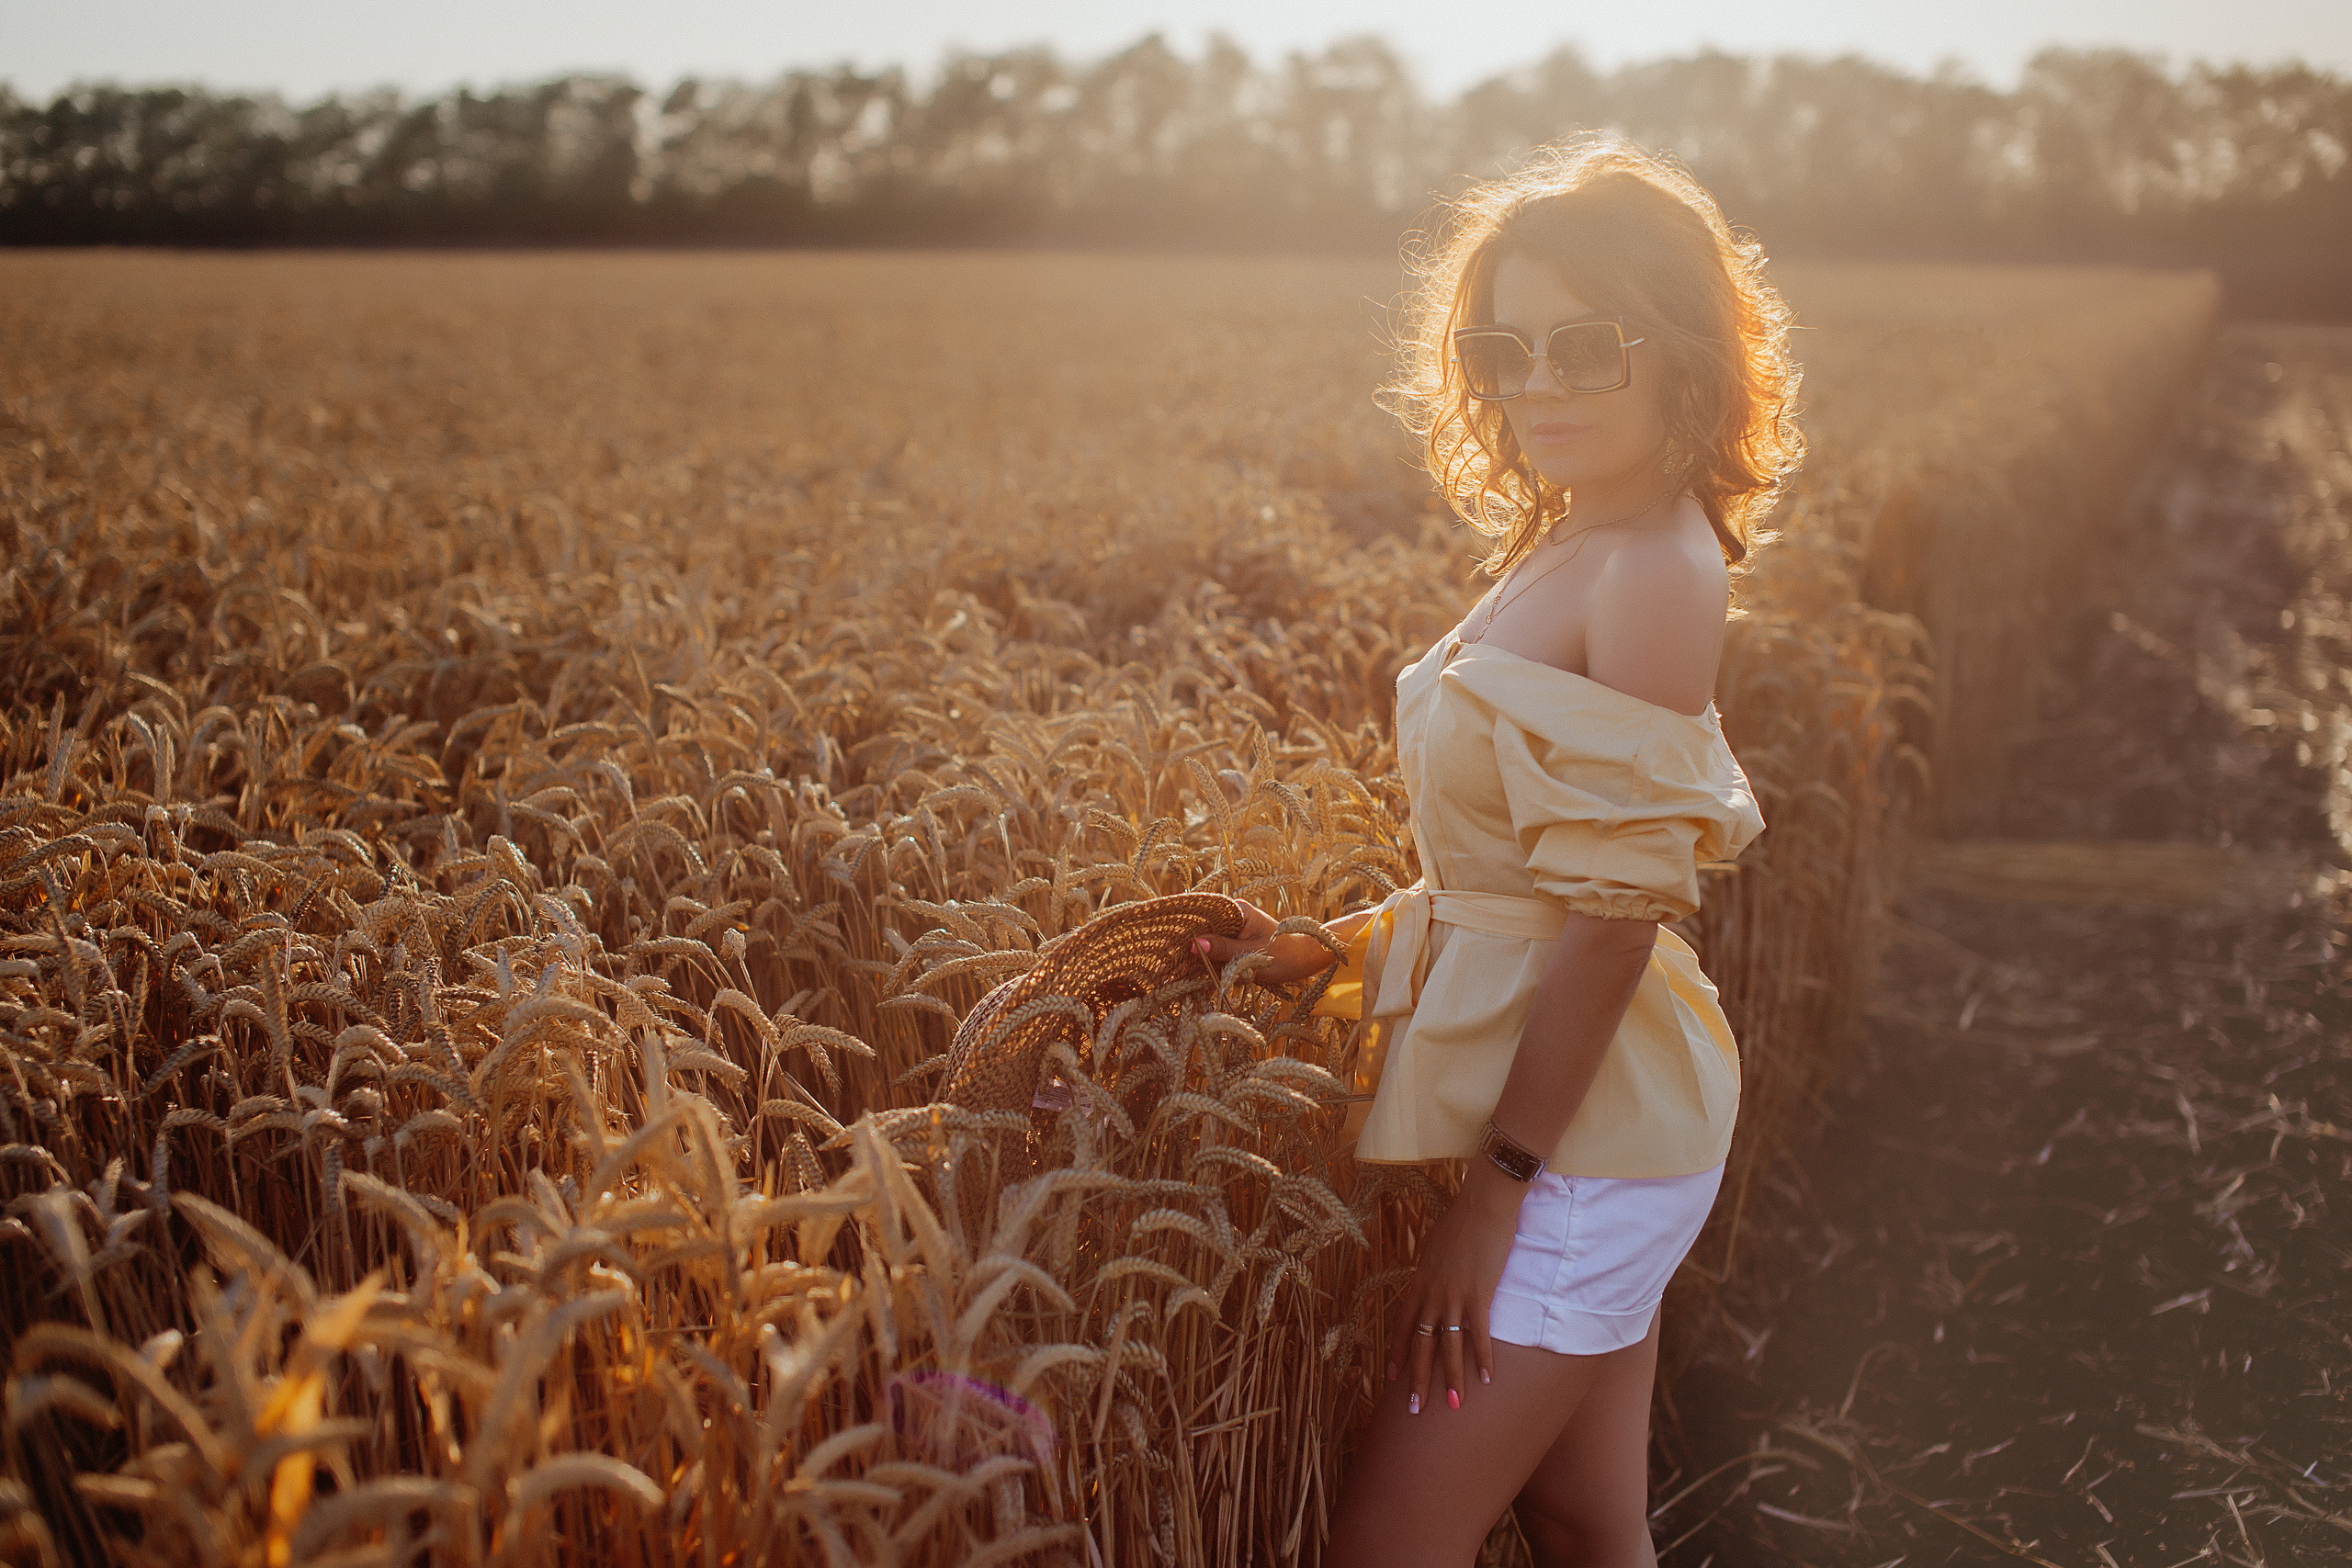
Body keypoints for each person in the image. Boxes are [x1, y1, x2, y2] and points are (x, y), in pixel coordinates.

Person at [1192, 136, 1800, 1566]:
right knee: (1584, 1520)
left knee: (1386, 1553)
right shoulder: (1574, 540)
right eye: (1504, 347)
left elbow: (1612, 917)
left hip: (1591, 1148)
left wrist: (1493, 1201)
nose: (1539, 385)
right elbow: (1504, 878)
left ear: (1684, 353)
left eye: (1586, 344)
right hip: (1585, 1125)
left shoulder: (1654, 569)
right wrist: (1327, 952)